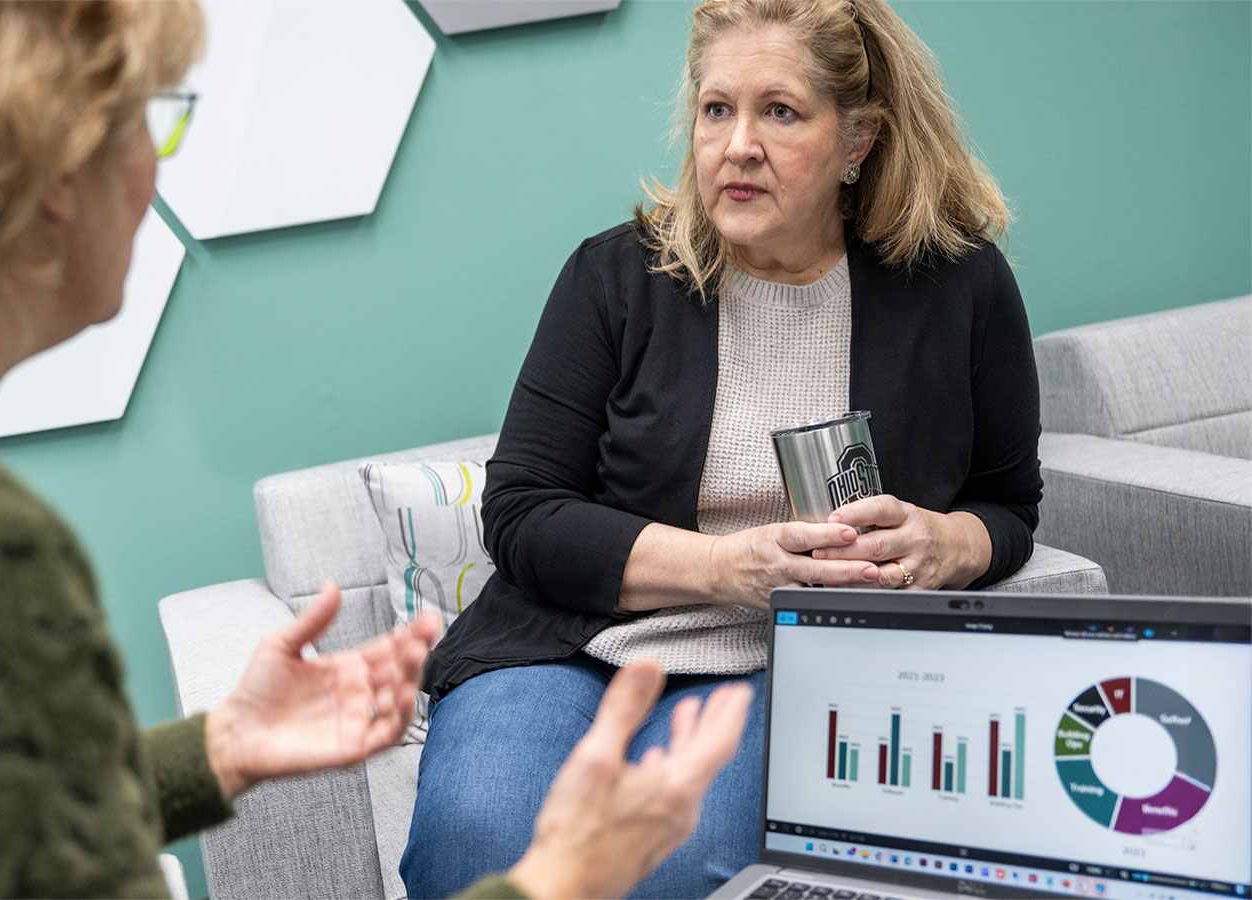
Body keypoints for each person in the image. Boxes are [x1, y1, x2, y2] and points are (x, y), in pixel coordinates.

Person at [0, 2, 752, 898]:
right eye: (150, 117)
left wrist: (209, 754)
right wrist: (562, 882)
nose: (154, 169)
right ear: (48, 168)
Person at [402, 0, 1042, 896]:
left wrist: (949, 543)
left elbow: (1009, 502)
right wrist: (721, 568)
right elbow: (520, 510)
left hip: (790, 656)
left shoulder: (959, 287)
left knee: (675, 867)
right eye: (717, 109)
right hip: (566, 646)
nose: (737, 144)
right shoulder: (617, 275)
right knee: (478, 840)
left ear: (859, 140)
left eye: (780, 111)